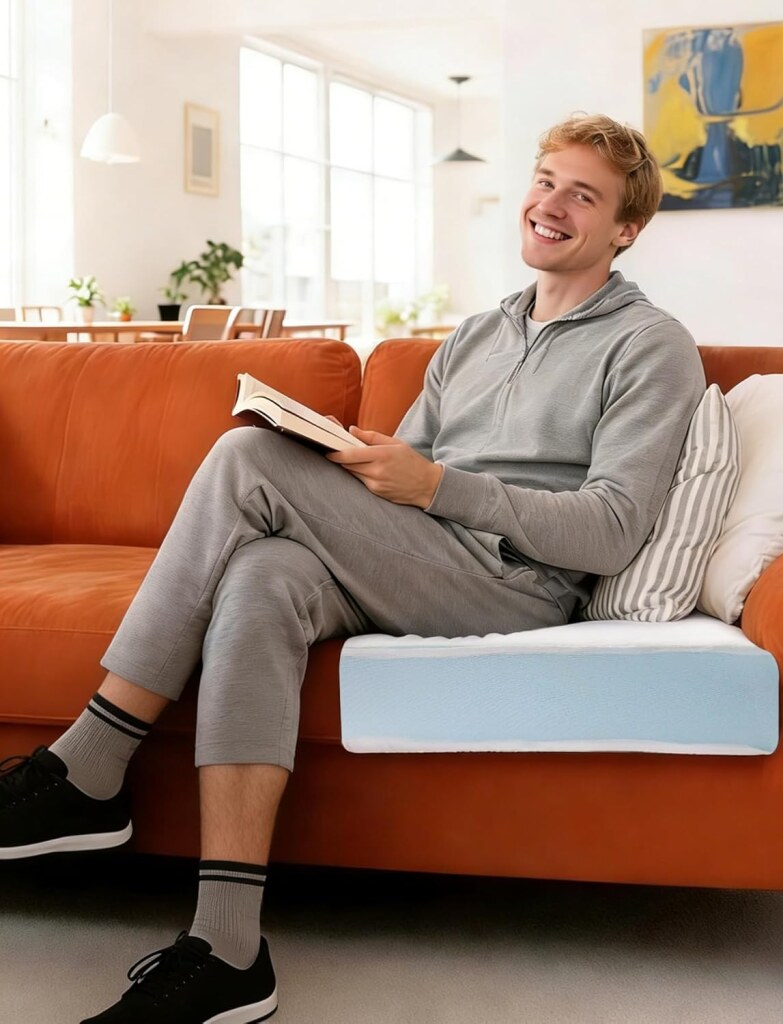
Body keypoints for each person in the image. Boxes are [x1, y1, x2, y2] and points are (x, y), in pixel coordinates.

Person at [0, 113, 705, 1023]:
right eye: (544, 181)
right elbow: (403, 475)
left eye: (584, 194)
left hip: (516, 579)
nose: (552, 205)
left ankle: (92, 764)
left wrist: (439, 485)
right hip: (418, 558)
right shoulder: (478, 335)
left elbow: (610, 531)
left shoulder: (651, 345)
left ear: (625, 229)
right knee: (261, 580)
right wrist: (357, 457)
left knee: (242, 460)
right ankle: (227, 952)